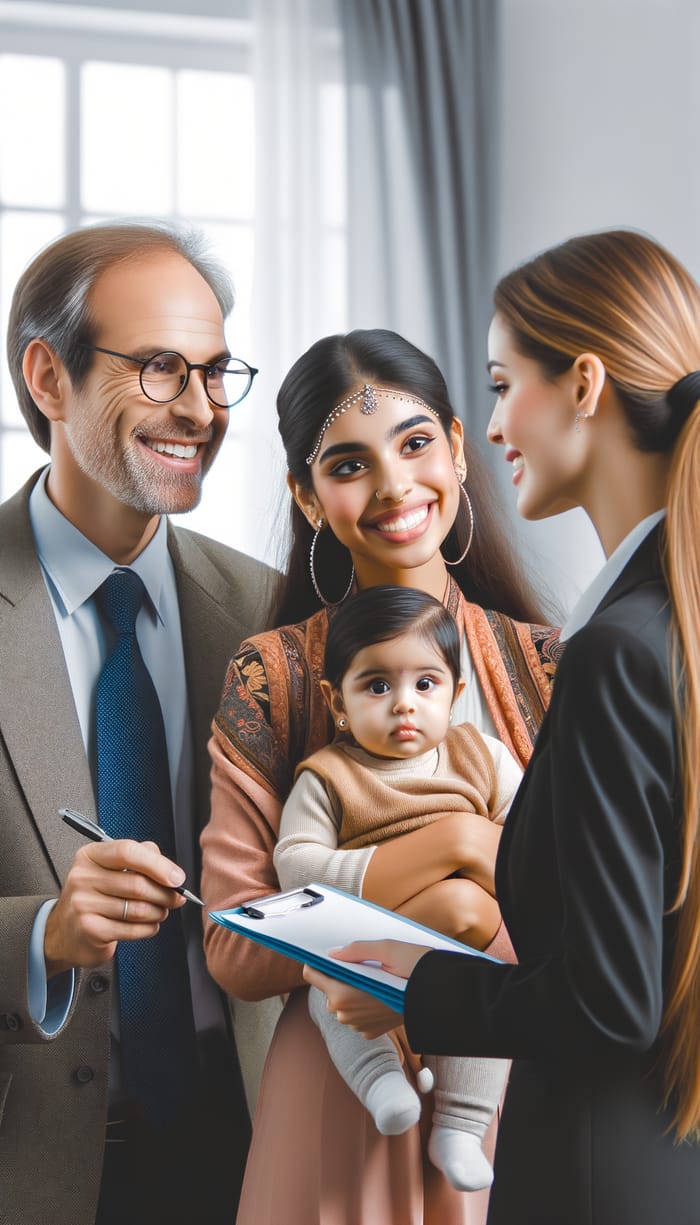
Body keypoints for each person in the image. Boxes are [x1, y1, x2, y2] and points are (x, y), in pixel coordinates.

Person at [305, 231, 700, 1225]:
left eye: (499, 383)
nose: (485, 428)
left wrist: (414, 987)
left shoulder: (615, 648)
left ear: (583, 384)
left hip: (594, 1175)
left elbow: (610, 1003)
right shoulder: (671, 623)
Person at [201, 327, 562, 1225]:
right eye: (350, 464)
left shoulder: (550, 666)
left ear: (456, 445)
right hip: (337, 1091)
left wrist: (418, 912)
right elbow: (238, 949)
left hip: (520, 1099)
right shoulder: (274, 674)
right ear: (305, 494)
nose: (397, 486)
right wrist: (459, 847)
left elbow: (595, 924)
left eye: (414, 443)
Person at [0, 221, 275, 1225]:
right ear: (48, 375)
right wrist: (46, 933)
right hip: (34, 1172)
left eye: (214, 372)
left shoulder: (268, 611)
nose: (200, 411)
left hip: (252, 1157)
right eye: (160, 370)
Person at [275, 584, 523, 1192]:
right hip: (370, 940)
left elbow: (529, 843)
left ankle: (461, 1127)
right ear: (339, 699)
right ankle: (380, 1078)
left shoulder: (483, 758)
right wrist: (392, 875)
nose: (404, 704)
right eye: (377, 686)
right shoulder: (329, 776)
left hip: (463, 949)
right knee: (330, 994)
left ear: (457, 694)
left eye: (426, 684)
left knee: (486, 1005)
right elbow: (296, 865)